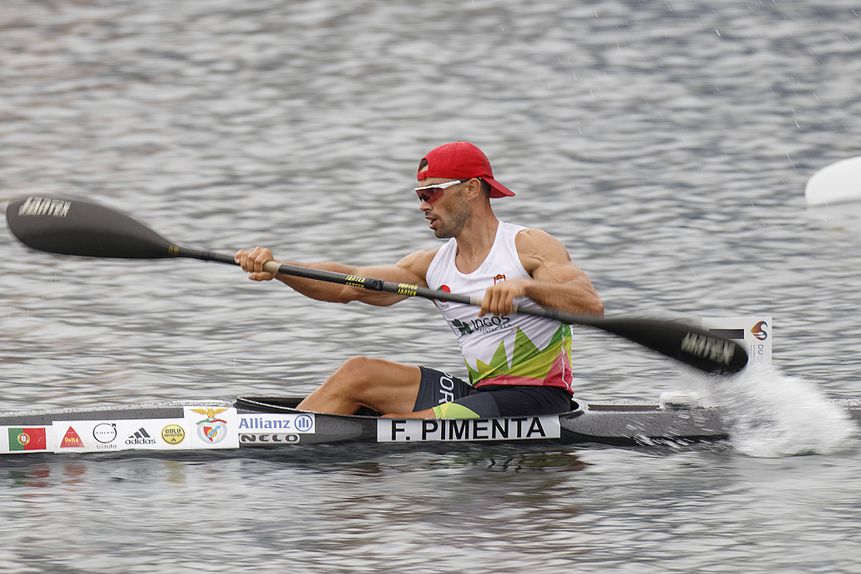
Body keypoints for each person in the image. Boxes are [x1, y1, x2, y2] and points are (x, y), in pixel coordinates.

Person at [234, 141, 604, 419]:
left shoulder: (527, 246)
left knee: (400, 425)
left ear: (472, 189)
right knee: (358, 373)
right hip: (481, 393)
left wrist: (526, 287)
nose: (423, 205)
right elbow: (350, 282)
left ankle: (281, 444)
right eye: (420, 196)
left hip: (539, 401)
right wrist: (279, 268)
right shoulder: (431, 266)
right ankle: (283, 433)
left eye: (431, 194)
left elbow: (589, 304)